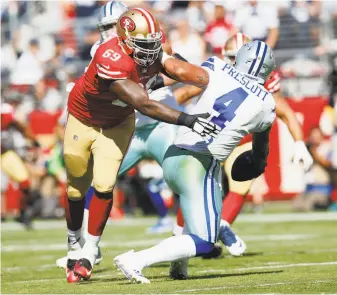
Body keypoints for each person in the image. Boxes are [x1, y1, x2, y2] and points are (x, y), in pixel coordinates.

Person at [63, 7, 219, 283]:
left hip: (119, 124)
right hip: (84, 119)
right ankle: (74, 241)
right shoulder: (107, 54)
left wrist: (212, 74)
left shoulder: (152, 49)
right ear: (124, 39)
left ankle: (90, 250)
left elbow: (182, 70)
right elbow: (144, 103)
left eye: (152, 43)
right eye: (143, 44)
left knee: (104, 184)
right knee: (76, 187)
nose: (150, 50)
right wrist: (188, 119)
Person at [114, 40, 276, 283]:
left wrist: (165, 55)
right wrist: (255, 163)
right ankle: (136, 260)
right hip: (200, 163)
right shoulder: (266, 103)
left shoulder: (218, 67)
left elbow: (179, 71)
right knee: (205, 240)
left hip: (173, 154)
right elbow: (260, 154)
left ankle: (179, 267)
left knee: (191, 210)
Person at [172, 33, 313, 261]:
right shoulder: (219, 72)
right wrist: (163, 114)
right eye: (229, 56)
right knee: (195, 188)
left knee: (240, 184)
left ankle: (220, 226)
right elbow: (185, 92)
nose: (231, 61)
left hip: (240, 141)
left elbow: (284, 110)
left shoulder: (262, 80)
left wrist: (299, 142)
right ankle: (184, 233)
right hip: (209, 140)